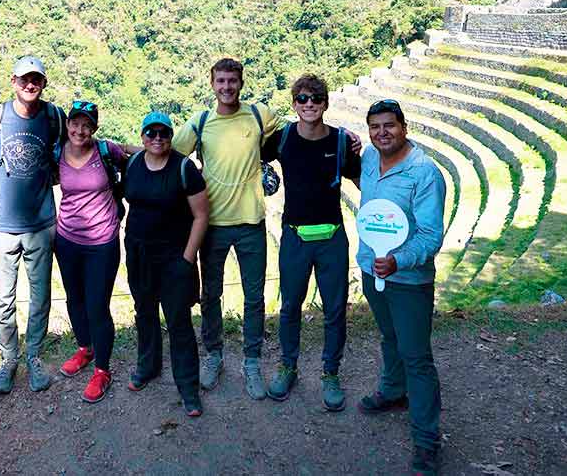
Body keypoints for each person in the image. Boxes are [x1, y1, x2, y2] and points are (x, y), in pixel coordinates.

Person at [171, 58, 285, 400]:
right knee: (211, 294)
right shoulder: (201, 122)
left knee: (255, 297)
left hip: (251, 221)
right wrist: (117, 152)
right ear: (212, 83)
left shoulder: (258, 115)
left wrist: (346, 139)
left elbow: (296, 132)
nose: (226, 87)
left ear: (241, 82)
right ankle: (214, 354)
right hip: (214, 223)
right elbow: (167, 152)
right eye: (221, 81)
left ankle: (251, 362)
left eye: (232, 81)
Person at [356, 99, 446, 476]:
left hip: (408, 280)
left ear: (404, 126)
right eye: (375, 127)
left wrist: (398, 260)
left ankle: (427, 441)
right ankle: (393, 391)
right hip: (371, 269)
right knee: (389, 337)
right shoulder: (368, 161)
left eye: (389, 125)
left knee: (417, 356)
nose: (382, 133)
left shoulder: (424, 173)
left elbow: (430, 236)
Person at [261, 74, 361, 411]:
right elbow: (249, 150)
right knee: (290, 306)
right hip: (294, 235)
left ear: (325, 103)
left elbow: (361, 179)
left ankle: (330, 373)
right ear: (294, 103)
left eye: (316, 98)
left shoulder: (340, 142)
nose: (309, 104)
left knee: (335, 309)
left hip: (332, 235)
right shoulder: (283, 138)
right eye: (302, 99)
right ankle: (288, 367)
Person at [0, 56, 66, 394]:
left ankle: (33, 355)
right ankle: (9, 358)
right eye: (24, 80)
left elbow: (73, 144)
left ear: (43, 83)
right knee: (3, 299)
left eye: (36, 80)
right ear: (13, 81)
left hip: (42, 222)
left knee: (40, 296)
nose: (30, 85)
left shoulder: (53, 116)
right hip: (1, 226)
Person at [124, 112, 208, 417]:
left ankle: (188, 387)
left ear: (171, 137)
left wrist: (187, 259)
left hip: (174, 257)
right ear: (143, 136)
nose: (157, 138)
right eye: (151, 133)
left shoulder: (184, 168)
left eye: (163, 133)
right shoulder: (133, 164)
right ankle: (148, 367)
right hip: (138, 253)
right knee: (144, 312)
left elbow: (201, 216)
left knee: (179, 322)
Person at [53, 101, 126, 403]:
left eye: (86, 125)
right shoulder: (57, 152)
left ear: (94, 128)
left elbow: (136, 161)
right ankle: (85, 348)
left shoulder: (106, 151)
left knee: (97, 306)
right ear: (67, 125)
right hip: (67, 238)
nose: (79, 130)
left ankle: (102, 370)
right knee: (75, 300)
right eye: (75, 123)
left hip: (101, 241)